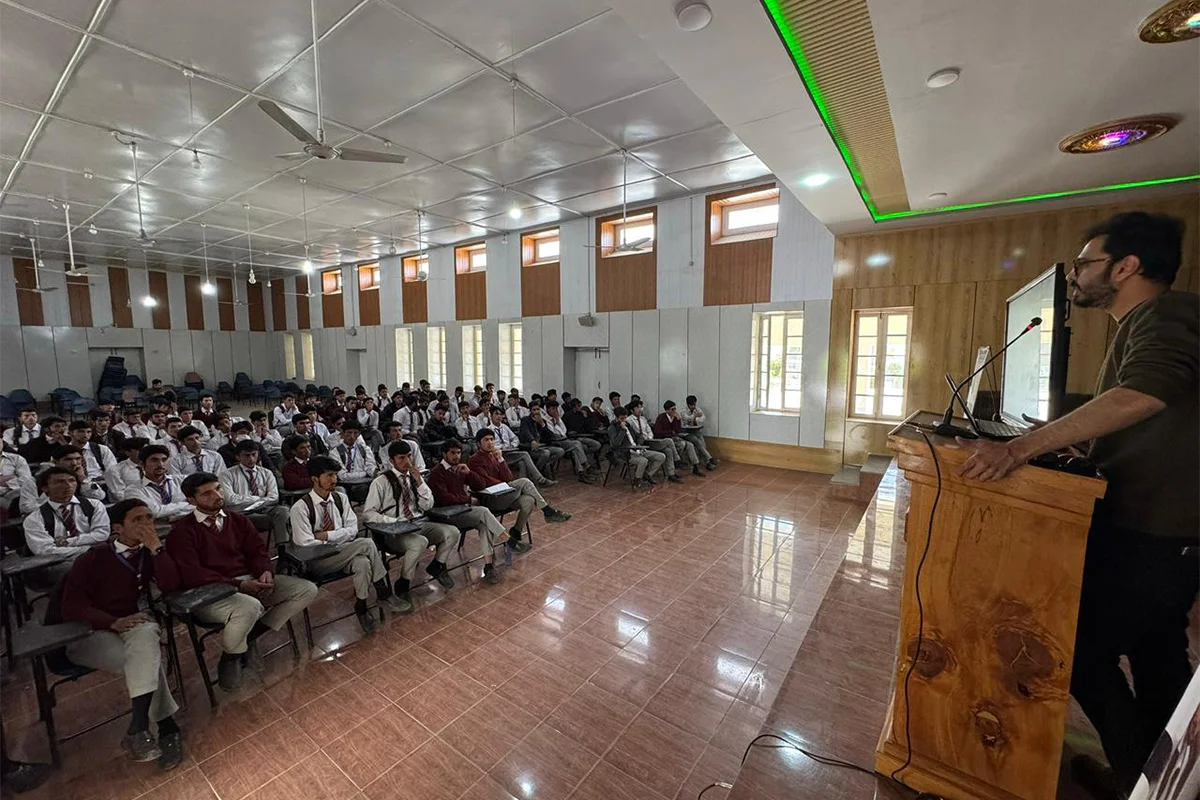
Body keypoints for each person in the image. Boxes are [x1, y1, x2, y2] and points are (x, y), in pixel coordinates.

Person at [957, 211, 1198, 797]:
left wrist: (1025, 448)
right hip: (1160, 531)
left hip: (1155, 533)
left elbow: (1144, 393)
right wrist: (1068, 437)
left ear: (1126, 266)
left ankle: (1139, 776)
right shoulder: (1143, 320)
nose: (1075, 277)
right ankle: (1163, 778)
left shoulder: (1167, 313)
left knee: (1080, 653)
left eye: (1085, 264)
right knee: (1158, 658)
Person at [56, 498, 184, 769]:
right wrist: (112, 621)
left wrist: (157, 550)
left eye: (149, 518)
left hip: (131, 628)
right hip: (88, 633)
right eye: (138, 520)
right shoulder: (93, 558)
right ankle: (166, 727)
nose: (147, 525)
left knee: (147, 635)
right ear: (118, 528)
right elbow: (71, 607)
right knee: (146, 659)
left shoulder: (149, 554)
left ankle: (140, 729)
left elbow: (171, 584)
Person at [166, 472, 318, 691]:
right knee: (250, 606)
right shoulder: (182, 531)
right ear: (191, 500)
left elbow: (257, 551)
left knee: (306, 590)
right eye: (207, 493)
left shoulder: (237, 520)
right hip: (211, 592)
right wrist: (238, 585)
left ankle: (250, 634)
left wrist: (265, 571)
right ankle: (231, 655)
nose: (217, 495)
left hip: (249, 581)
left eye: (218, 488)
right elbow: (193, 574)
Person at [288, 457, 406, 633]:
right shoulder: (300, 508)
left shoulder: (340, 499)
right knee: (366, 543)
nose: (334, 479)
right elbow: (305, 543)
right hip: (317, 560)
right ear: (314, 478)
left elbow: (352, 529)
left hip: (343, 552)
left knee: (363, 563)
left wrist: (327, 535)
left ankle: (361, 606)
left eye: (335, 474)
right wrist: (339, 538)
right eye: (329, 475)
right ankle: (383, 591)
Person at [362, 440, 456, 608]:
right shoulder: (381, 482)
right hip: (394, 531)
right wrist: (393, 521)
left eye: (409, 456)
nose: (407, 462)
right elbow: (368, 514)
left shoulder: (414, 476)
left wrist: (420, 482)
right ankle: (404, 581)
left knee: (452, 532)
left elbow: (428, 505)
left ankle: (437, 565)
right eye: (401, 458)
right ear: (392, 460)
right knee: (420, 542)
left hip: (418, 522)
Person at [469, 428, 569, 548]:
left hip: (504, 494)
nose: (490, 442)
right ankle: (547, 511)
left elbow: (509, 477)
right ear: (479, 444)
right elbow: (485, 481)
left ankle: (516, 531)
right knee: (525, 482)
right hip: (491, 498)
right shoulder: (474, 460)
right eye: (486, 440)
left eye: (492, 439)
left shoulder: (494, 456)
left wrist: (501, 460)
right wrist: (504, 484)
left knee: (529, 500)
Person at [425, 441, 508, 585]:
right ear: (444, 454)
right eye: (453, 453)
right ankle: (507, 538)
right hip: (446, 516)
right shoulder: (436, 473)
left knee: (484, 524)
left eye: (458, 453)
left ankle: (489, 566)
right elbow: (444, 499)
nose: (456, 456)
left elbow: (481, 485)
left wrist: (469, 473)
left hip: (462, 511)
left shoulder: (460, 468)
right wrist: (468, 498)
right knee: (483, 512)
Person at [22, 465, 111, 562]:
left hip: (97, 556)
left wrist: (68, 542)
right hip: (60, 562)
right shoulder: (34, 518)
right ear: (45, 488)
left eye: (72, 480)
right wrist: (88, 550)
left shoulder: (94, 505)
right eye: (60, 482)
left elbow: (102, 534)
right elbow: (44, 550)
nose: (68, 486)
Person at [219, 440, 290, 544]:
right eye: (246, 456)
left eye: (254, 455)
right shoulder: (226, 475)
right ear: (238, 457)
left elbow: (274, 497)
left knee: (284, 511)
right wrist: (258, 499)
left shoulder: (266, 473)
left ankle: (283, 549)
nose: (251, 459)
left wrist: (254, 501)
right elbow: (230, 500)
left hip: (264, 510)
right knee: (279, 520)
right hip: (241, 513)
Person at [19, 445, 107, 515]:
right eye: (68, 459)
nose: (74, 463)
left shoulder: (80, 478)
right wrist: (59, 505)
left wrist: (83, 480)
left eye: (78, 459)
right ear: (55, 462)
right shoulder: (34, 481)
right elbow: (26, 507)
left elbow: (100, 496)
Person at [486, 407, 553, 486]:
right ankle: (540, 479)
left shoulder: (505, 427)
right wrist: (499, 447)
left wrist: (512, 445)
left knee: (522, 463)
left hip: (509, 452)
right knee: (524, 454)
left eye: (500, 414)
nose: (499, 416)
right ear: (491, 416)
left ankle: (523, 485)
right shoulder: (488, 429)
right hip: (498, 455)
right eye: (496, 414)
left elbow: (515, 438)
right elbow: (488, 445)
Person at [128, 445, 193, 522]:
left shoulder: (183, 480)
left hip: (190, 527)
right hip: (158, 532)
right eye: (154, 460)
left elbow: (200, 504)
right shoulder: (133, 490)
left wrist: (168, 516)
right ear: (142, 464)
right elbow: (154, 512)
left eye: (164, 460)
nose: (160, 464)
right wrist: (184, 504)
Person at [627, 401, 685, 483]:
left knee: (668, 450)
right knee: (669, 441)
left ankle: (670, 474)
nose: (640, 409)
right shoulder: (629, 420)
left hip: (650, 441)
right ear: (632, 410)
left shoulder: (643, 419)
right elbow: (632, 434)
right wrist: (644, 439)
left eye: (641, 407)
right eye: (637, 408)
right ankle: (677, 460)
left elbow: (649, 431)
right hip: (640, 443)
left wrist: (649, 437)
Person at [609, 406, 665, 490]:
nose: (624, 420)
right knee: (643, 461)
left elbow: (638, 436)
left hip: (637, 448)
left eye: (625, 418)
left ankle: (647, 475)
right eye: (621, 418)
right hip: (625, 452)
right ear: (616, 418)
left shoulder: (628, 425)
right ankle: (637, 479)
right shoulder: (612, 428)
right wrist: (622, 430)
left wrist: (639, 444)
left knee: (661, 456)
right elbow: (616, 443)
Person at [545, 400, 601, 480]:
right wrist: (557, 424)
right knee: (577, 444)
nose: (555, 411)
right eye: (553, 408)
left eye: (556, 409)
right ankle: (586, 465)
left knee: (576, 450)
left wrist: (558, 421)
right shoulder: (546, 420)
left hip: (565, 439)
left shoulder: (558, 418)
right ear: (548, 409)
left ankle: (581, 473)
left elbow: (564, 431)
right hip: (556, 442)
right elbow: (554, 433)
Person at [654, 401, 710, 476]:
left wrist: (678, 419)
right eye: (672, 409)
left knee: (690, 445)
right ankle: (677, 461)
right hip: (665, 439)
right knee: (682, 444)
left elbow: (678, 430)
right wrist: (671, 432)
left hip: (674, 437)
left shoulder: (675, 417)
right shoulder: (661, 417)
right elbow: (658, 431)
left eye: (675, 409)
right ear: (667, 410)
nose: (674, 411)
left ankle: (695, 467)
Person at [330, 420, 375, 503]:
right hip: (345, 485)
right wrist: (364, 473)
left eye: (356, 433)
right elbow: (342, 476)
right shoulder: (334, 452)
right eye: (349, 433)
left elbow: (370, 467)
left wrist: (374, 472)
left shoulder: (364, 449)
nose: (352, 436)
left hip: (364, 483)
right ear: (342, 434)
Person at [517, 405, 565, 479]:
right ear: (530, 411)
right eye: (534, 409)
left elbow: (549, 436)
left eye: (538, 409)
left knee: (560, 451)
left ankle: (540, 467)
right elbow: (525, 432)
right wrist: (532, 440)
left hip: (543, 445)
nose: (536, 411)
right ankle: (537, 473)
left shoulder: (542, 420)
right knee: (546, 453)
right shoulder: (525, 420)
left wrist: (542, 424)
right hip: (531, 447)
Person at [680, 395, 718, 468]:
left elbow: (703, 418)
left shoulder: (697, 409)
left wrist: (695, 419)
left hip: (695, 430)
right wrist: (695, 417)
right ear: (688, 404)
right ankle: (709, 459)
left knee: (702, 443)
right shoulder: (683, 411)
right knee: (697, 442)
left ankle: (708, 462)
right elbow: (686, 418)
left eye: (695, 404)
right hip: (686, 432)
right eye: (692, 405)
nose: (694, 406)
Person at [106, 436, 148, 500]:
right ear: (128, 453)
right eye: (141, 450)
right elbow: (120, 495)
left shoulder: (153, 467)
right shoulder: (115, 470)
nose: (145, 453)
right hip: (132, 505)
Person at [0, 445, 32, 512]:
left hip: (10, 495)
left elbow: (27, 480)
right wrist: (11, 477)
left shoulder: (17, 459)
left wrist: (8, 483)